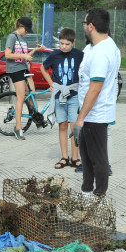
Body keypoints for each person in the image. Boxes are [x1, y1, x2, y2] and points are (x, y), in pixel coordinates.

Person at [72, 7, 119, 197]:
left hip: (95, 114)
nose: (83, 26)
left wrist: (80, 119)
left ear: (91, 26)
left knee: (98, 159)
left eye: (84, 23)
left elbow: (95, 88)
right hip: (88, 112)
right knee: (86, 156)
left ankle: (99, 196)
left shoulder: (102, 53)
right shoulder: (96, 46)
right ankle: (86, 191)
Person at [40, 27, 83, 169]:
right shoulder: (54, 55)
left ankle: (75, 158)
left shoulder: (79, 54)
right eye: (62, 43)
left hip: (74, 95)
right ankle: (65, 157)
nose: (64, 46)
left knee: (73, 126)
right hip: (59, 96)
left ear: (73, 43)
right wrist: (51, 83)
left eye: (67, 44)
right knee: (62, 125)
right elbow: (43, 68)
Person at [5, 17, 44, 140]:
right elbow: (7, 54)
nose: (27, 32)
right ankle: (18, 128)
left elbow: (24, 56)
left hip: (24, 68)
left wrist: (35, 50)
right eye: (26, 30)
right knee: (21, 97)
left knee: (33, 93)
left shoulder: (23, 39)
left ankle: (37, 119)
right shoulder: (12, 37)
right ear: (21, 27)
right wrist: (23, 55)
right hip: (15, 69)